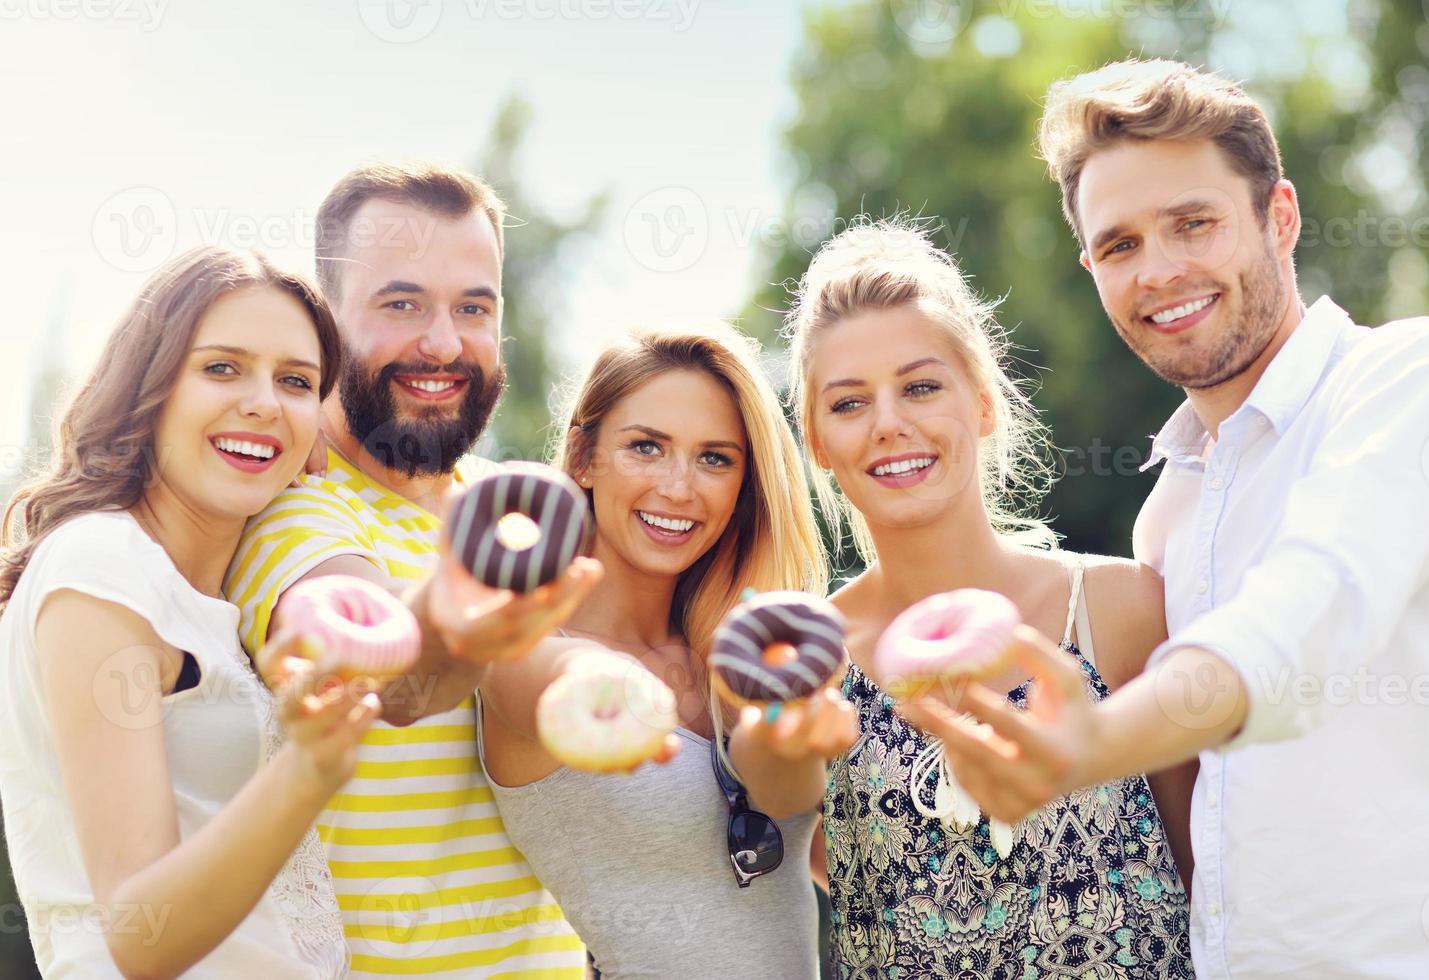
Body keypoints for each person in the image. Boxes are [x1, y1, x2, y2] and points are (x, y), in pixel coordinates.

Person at [901, 58, 1429, 976]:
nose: (1159, 272)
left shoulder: (1413, 380)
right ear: (1090, 266)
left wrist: (1092, 737)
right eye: (1119, 245)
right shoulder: (1169, 507)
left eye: (1193, 224)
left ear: (1279, 217)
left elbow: (1304, 620)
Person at [785, 218, 1197, 976]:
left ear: (981, 401)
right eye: (848, 403)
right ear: (815, 440)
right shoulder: (809, 656)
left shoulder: (1120, 609)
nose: (889, 424)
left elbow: (1210, 880)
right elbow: (840, 878)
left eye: (920, 387)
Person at [224, 163, 601, 978]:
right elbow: (384, 674)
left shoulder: (504, 511)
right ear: (325, 324)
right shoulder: (296, 511)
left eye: (474, 308)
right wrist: (452, 621)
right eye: (402, 304)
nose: (442, 342)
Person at [0, 246, 373, 977]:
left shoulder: (212, 603)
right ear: (151, 387)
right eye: (222, 367)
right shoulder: (102, 567)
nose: (264, 401)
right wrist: (308, 767)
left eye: (295, 381)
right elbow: (143, 935)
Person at [477, 324, 857, 978]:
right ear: (583, 458)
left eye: (715, 458)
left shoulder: (735, 653)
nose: (680, 488)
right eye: (646, 448)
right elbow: (562, 686)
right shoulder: (523, 650)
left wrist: (792, 726)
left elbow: (784, 796)